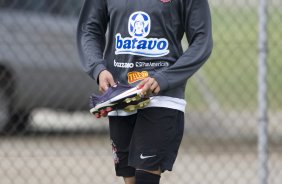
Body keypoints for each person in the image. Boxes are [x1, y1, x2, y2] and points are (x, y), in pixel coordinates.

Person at [77, 0, 213, 183]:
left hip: (162, 96)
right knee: (131, 179)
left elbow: (202, 40)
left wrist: (166, 78)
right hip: (120, 98)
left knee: (145, 177)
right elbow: (89, 29)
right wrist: (98, 69)